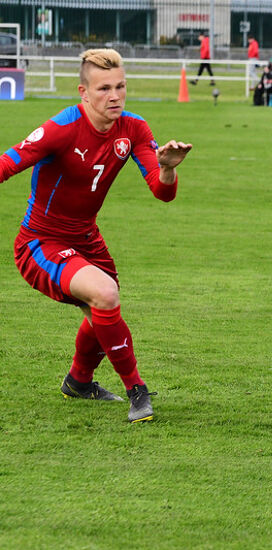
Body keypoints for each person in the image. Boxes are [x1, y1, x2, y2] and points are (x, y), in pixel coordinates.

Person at [0, 49, 192, 423]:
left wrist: (167, 169)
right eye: (104, 88)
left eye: (120, 86)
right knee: (105, 295)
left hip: (87, 240)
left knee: (102, 310)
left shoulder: (134, 129)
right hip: (40, 243)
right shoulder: (61, 128)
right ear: (83, 92)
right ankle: (138, 393)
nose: (115, 95)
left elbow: (161, 191)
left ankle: (78, 381)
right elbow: (6, 164)